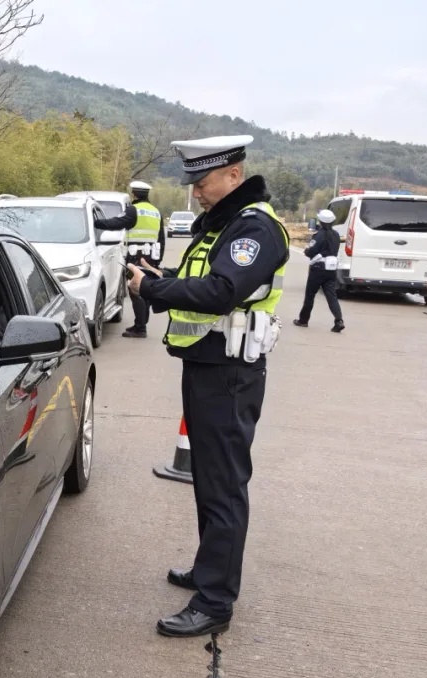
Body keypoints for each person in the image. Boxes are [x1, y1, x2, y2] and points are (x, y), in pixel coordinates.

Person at [125, 135, 289, 638]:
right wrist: (161, 275)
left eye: (203, 182)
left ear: (234, 175)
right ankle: (208, 568)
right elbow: (200, 277)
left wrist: (152, 287)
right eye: (193, 183)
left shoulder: (255, 229)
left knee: (224, 485)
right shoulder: (225, 225)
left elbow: (221, 291)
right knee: (208, 478)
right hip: (208, 365)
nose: (196, 192)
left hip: (230, 373)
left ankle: (215, 600)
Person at [93, 180, 165, 338]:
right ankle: (141, 324)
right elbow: (161, 238)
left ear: (134, 194)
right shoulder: (155, 212)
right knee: (144, 290)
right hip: (151, 259)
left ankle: (140, 328)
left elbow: (116, 223)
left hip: (136, 258)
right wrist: (157, 262)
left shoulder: (134, 210)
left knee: (135, 290)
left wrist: (96, 223)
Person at [294, 209, 345, 332]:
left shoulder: (319, 235)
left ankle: (303, 320)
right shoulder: (336, 235)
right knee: (332, 296)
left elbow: (311, 251)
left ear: (321, 221)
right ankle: (339, 320)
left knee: (310, 295)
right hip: (331, 269)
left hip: (318, 269)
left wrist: (307, 251)